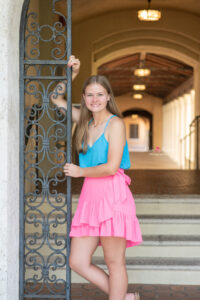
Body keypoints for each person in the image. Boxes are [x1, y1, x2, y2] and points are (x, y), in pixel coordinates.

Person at [50, 55, 143, 300]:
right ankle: (124, 297)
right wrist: (71, 75)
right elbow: (55, 99)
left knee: (114, 262)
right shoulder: (83, 121)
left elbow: (112, 167)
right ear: (83, 97)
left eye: (100, 94)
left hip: (113, 198)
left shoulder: (116, 125)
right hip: (90, 199)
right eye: (90, 94)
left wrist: (80, 171)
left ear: (108, 97)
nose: (95, 99)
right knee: (78, 261)